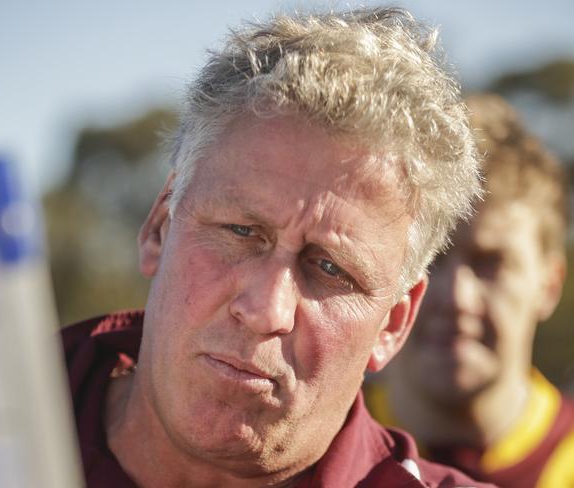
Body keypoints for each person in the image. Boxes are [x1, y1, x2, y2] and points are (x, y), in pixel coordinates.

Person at [62, 8, 492, 487]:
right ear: (160, 226)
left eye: (330, 268)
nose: (267, 310)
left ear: (393, 324)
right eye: (241, 232)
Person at [366, 93, 574, 487]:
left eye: (491, 262)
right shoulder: (308, 453)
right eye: (431, 259)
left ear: (549, 284)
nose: (456, 298)